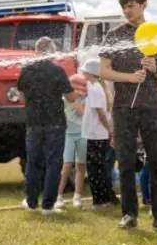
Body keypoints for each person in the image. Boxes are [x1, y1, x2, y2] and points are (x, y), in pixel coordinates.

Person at [99, 0, 157, 232]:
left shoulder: (156, 34)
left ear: (143, 5)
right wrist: (129, 77)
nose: (127, 11)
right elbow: (103, 70)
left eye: (131, 5)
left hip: (153, 105)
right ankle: (129, 214)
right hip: (123, 106)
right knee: (126, 160)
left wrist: (155, 68)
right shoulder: (115, 34)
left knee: (156, 161)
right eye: (124, 7)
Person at [17, 36, 77, 214]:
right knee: (53, 164)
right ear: (51, 51)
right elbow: (71, 97)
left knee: (33, 162)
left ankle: (31, 202)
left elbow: (21, 97)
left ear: (36, 51)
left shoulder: (26, 71)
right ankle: (48, 205)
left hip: (34, 123)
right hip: (56, 123)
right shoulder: (57, 71)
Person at [79, 59, 116, 208]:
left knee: (95, 169)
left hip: (95, 134)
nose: (83, 74)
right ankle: (105, 198)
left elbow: (100, 113)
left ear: (90, 74)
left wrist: (109, 129)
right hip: (98, 133)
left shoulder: (94, 89)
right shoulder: (98, 87)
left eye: (85, 72)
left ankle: (99, 201)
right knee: (100, 167)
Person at [55, 73, 87, 209]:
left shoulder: (85, 99)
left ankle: (77, 196)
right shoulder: (63, 100)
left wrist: (77, 101)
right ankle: (59, 195)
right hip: (68, 134)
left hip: (82, 134)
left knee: (81, 166)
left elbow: (82, 113)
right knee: (67, 164)